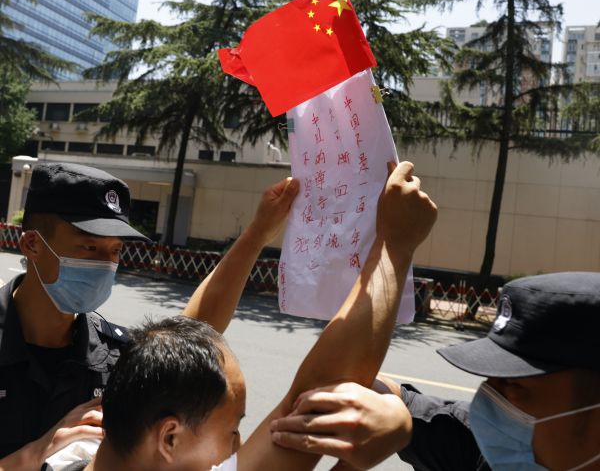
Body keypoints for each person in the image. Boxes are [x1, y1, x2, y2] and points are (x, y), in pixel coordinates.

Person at [71, 161, 437, 470]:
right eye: (232, 429)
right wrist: (394, 246)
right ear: (170, 438)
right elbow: (310, 402)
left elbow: (187, 336)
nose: (241, 445)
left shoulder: (72, 448)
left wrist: (259, 232)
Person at [0, 161, 299, 469]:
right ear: (32, 245)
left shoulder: (114, 355)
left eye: (115, 251)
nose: (105, 264)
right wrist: (37, 452)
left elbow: (192, 330)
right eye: (89, 247)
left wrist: (258, 234)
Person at [270, 272, 600, 470]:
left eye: (515, 384)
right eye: (490, 377)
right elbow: (415, 409)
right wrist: (394, 414)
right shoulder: (484, 454)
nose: (489, 397)